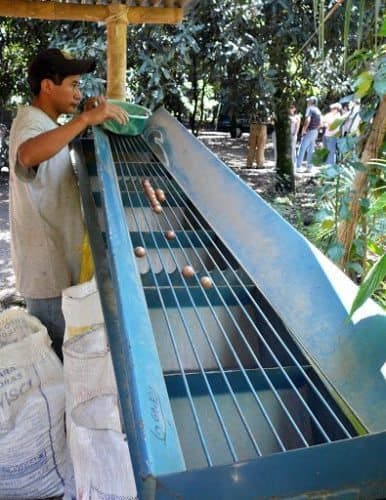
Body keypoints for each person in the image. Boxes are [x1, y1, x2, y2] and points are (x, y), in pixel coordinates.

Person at [8, 48, 128, 359]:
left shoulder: (48, 123)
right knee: (64, 363)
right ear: (48, 86)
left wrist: (81, 119)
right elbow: (28, 155)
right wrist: (87, 118)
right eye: (73, 84)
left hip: (57, 266)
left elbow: (57, 145)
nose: (78, 92)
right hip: (48, 274)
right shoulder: (30, 121)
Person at [296, 96, 321, 173]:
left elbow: (308, 120)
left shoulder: (309, 109)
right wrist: (316, 129)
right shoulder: (317, 110)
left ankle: (298, 167)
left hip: (309, 131)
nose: (307, 102)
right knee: (311, 149)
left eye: (308, 101)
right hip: (315, 131)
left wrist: (304, 129)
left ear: (311, 102)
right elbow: (320, 123)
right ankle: (309, 167)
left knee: (302, 148)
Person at [289, 104, 301, 169]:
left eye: (292, 107)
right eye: (290, 107)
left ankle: (294, 164)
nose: (290, 109)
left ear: (295, 109)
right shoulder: (287, 116)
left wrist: (295, 134)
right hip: (287, 135)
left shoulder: (297, 117)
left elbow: (298, 126)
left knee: (293, 149)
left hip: (293, 135)